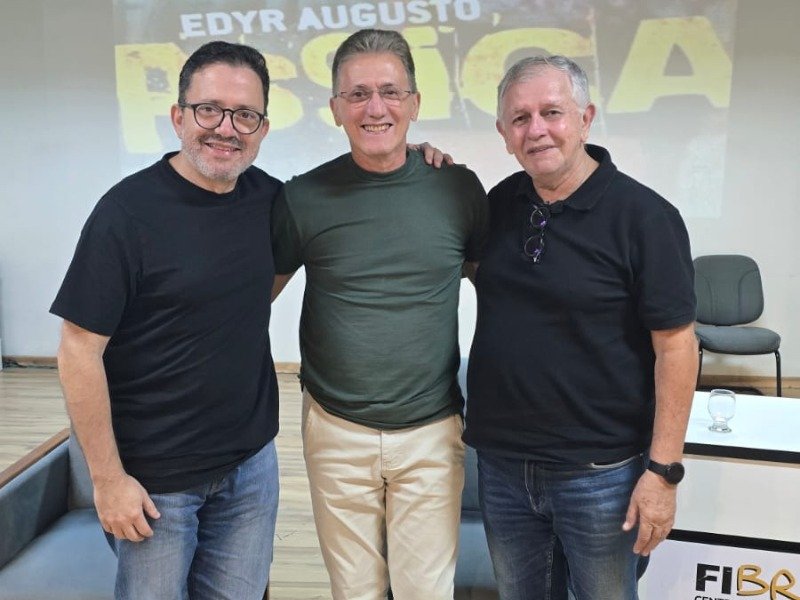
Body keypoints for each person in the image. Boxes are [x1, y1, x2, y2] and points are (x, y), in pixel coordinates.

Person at [51, 41, 281, 599]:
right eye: (209, 109)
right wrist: (107, 481)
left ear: (263, 128)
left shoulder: (273, 202)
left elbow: (261, 286)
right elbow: (78, 349)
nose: (226, 128)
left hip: (250, 468)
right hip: (153, 484)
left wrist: (415, 153)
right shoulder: (125, 214)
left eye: (244, 115)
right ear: (178, 117)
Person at [464, 55, 698, 600]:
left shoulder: (646, 217)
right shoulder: (499, 204)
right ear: (503, 133)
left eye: (552, 112)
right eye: (519, 118)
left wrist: (663, 472)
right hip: (502, 467)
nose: (536, 130)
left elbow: (677, 348)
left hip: (601, 475)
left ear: (586, 118)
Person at [270, 28, 488, 600]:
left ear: (414, 103)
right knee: (355, 593)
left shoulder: (458, 189)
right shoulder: (302, 198)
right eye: (358, 94)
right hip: (335, 431)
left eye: (390, 92)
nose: (375, 108)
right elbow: (249, 299)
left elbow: (503, 293)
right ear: (335, 108)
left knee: (426, 593)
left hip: (432, 432)